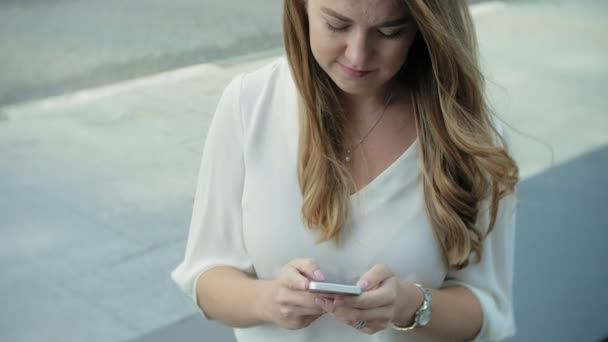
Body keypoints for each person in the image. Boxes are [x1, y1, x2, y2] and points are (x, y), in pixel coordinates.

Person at [171, 0, 519, 341]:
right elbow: (205, 276)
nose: (357, 56)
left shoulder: (473, 138)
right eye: (337, 25)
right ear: (301, 8)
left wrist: (409, 304)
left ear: (423, 28)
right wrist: (270, 301)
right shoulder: (250, 103)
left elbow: (489, 311)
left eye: (389, 32)